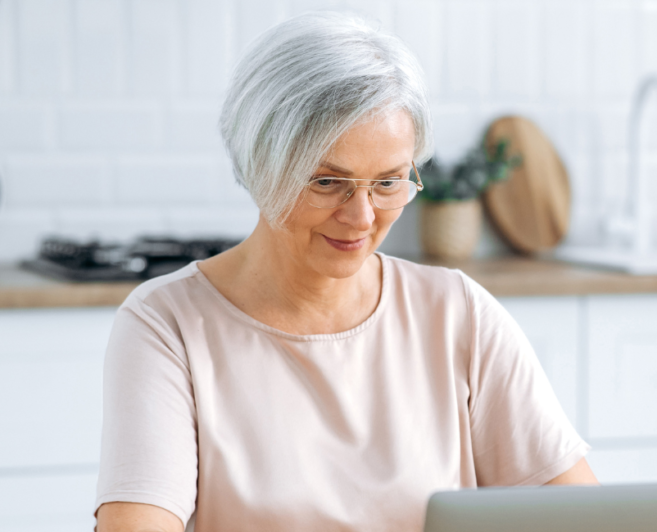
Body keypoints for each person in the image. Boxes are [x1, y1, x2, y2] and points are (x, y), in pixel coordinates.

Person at [94, 12, 596, 532]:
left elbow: (582, 517)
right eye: (328, 182)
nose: (361, 217)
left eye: (388, 183)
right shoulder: (167, 326)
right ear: (260, 164)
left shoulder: (457, 313)